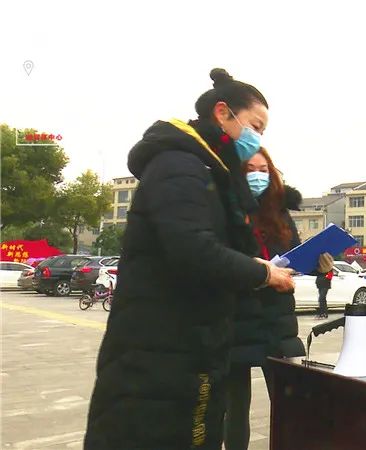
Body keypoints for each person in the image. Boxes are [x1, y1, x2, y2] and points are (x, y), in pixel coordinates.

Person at [84, 69, 295, 449]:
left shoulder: (210, 171)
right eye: (254, 126)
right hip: (159, 354)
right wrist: (262, 273)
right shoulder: (179, 165)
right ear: (223, 113)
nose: (257, 139)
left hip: (193, 348)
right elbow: (192, 250)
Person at [224, 148, 333, 450]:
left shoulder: (280, 211)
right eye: (251, 169)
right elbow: (221, 261)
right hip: (237, 319)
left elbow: (293, 256)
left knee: (290, 407)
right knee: (234, 411)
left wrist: (316, 262)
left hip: (277, 321)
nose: (258, 175)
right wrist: (260, 273)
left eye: (264, 169)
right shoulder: (226, 210)